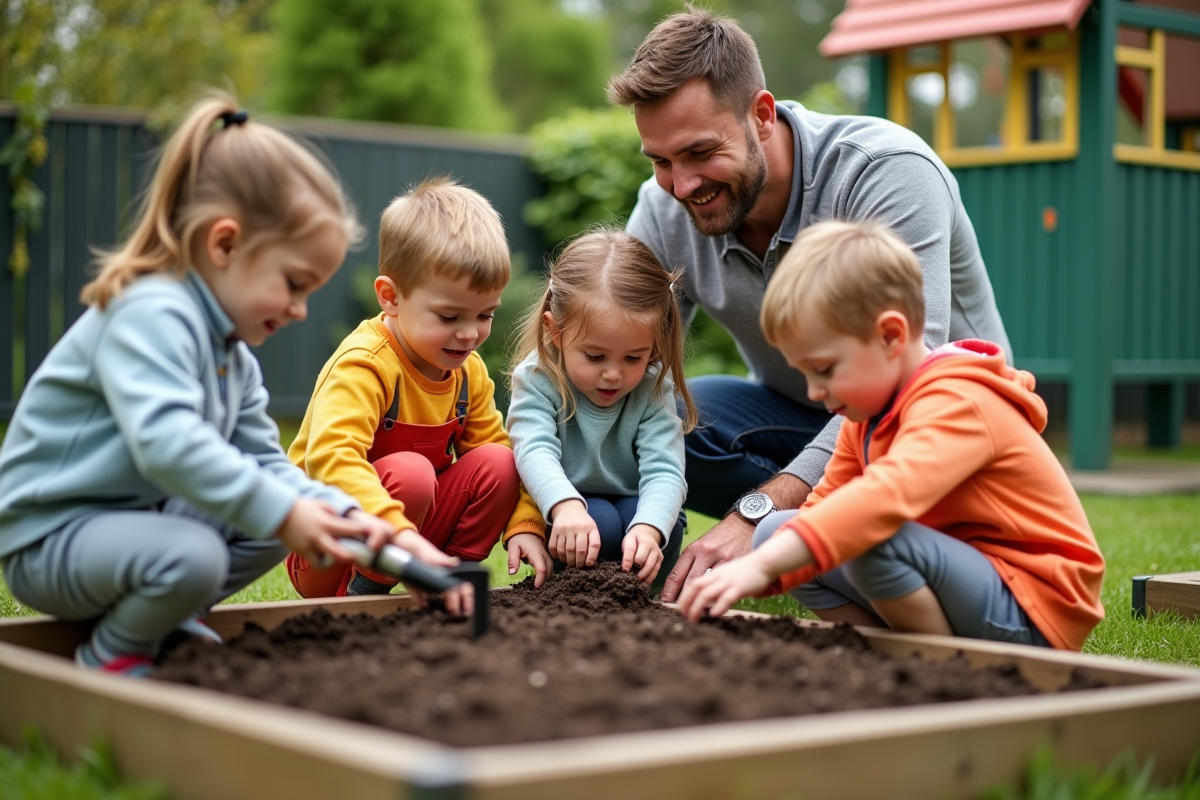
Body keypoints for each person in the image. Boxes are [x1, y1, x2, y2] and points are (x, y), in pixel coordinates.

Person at [0, 94, 457, 678]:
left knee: (270, 523)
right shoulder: (150, 313)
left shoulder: (230, 355)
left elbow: (269, 464)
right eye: (293, 283)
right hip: (52, 539)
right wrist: (284, 510)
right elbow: (168, 443)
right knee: (200, 553)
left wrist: (379, 534)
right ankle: (113, 653)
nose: (298, 310)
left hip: (131, 527)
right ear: (224, 244)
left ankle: (163, 618)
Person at [608, 6, 1014, 603]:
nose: (682, 185)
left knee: (815, 475)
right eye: (662, 161)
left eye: (699, 152)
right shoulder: (666, 206)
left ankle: (827, 537)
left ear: (762, 115)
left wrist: (750, 518)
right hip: (807, 417)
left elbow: (907, 382)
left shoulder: (885, 173)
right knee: (665, 415)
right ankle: (795, 540)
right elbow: (616, 356)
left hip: (934, 428)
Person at [677, 221, 1104, 650]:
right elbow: (823, 506)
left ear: (891, 336)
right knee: (777, 532)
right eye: (804, 373)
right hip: (966, 583)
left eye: (824, 369)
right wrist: (765, 562)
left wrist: (760, 566)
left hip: (1034, 602)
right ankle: (873, 651)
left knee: (871, 535)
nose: (813, 392)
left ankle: (938, 666)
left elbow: (886, 497)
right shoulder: (863, 417)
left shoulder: (959, 398)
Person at [286, 177, 543, 597]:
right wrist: (395, 531)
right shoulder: (365, 365)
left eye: (484, 315)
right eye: (448, 317)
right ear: (391, 297)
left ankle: (448, 580)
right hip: (330, 548)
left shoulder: (467, 371)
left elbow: (499, 457)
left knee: (500, 461)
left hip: (411, 538)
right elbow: (331, 457)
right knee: (412, 471)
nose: (469, 334)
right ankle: (364, 593)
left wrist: (523, 524)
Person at [504, 230, 698, 588]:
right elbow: (533, 450)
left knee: (656, 523)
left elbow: (666, 470)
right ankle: (574, 590)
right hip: (568, 511)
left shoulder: (652, 384)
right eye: (595, 357)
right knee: (603, 524)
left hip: (634, 500)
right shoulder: (537, 378)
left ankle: (638, 593)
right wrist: (565, 506)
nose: (613, 374)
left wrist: (649, 528)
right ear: (555, 331)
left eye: (634, 357)